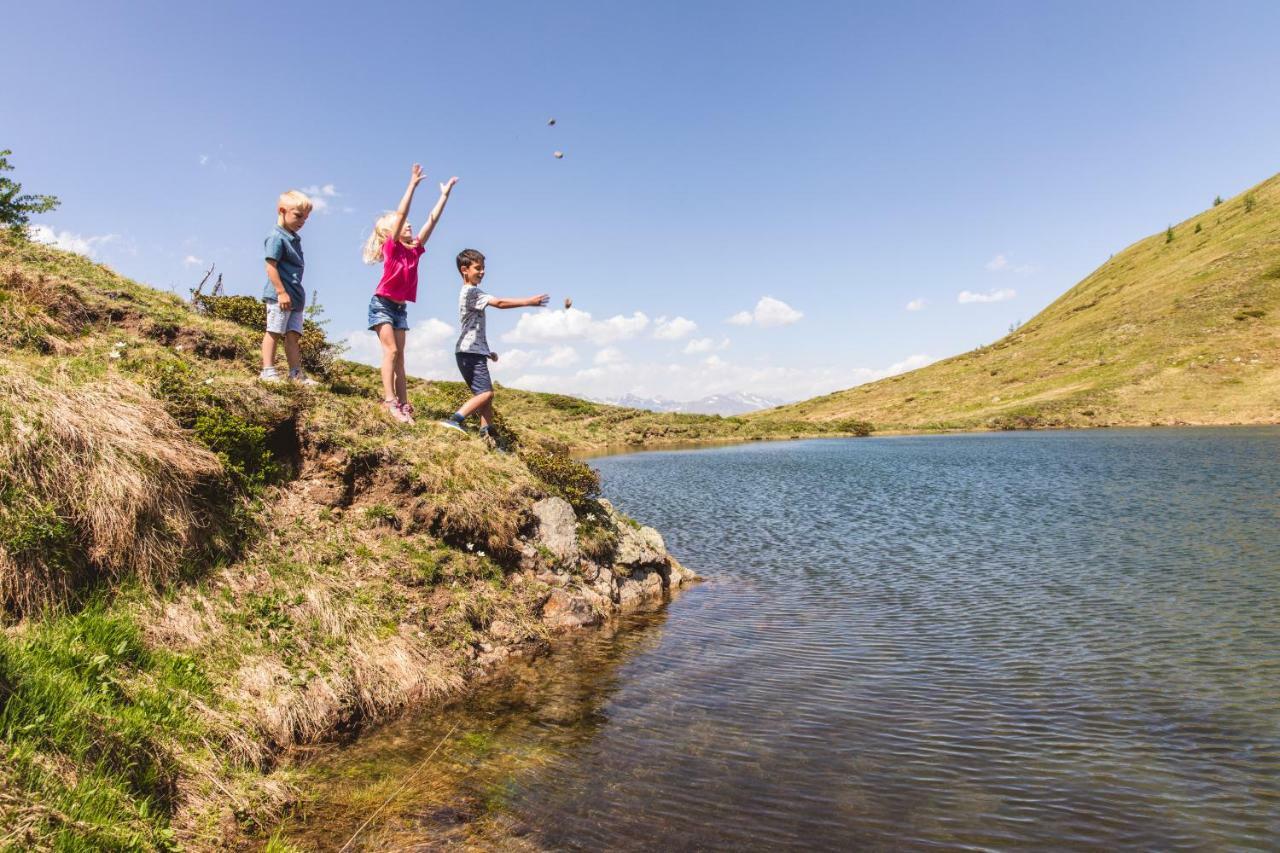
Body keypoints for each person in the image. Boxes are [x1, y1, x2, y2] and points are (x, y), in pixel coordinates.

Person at [362, 164, 458, 424]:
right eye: (404, 225)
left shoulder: (414, 250)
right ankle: (389, 401)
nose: (409, 227)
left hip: (400, 308)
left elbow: (432, 221)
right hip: (381, 304)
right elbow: (402, 212)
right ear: (391, 232)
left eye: (409, 226)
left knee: (401, 357)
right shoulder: (392, 248)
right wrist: (412, 185)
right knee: (391, 352)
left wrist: (444, 195)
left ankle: (404, 405)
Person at [438, 249, 548, 444]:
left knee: (485, 397)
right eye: (477, 268)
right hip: (470, 353)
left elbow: (473, 328)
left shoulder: (468, 292)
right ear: (464, 270)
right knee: (486, 393)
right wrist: (528, 302)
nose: (482, 272)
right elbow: (499, 302)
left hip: (471, 352)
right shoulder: (472, 291)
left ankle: (486, 432)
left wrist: (487, 352)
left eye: (483, 268)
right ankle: (455, 420)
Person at [260, 189, 316, 384]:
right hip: (280, 296)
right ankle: (267, 370)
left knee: (293, 336)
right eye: (298, 216)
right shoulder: (277, 236)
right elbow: (271, 266)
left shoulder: (293, 238)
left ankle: (296, 374)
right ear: (282, 210)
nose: (302, 222)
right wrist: (281, 292)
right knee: (274, 331)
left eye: (305, 219)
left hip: (295, 297)